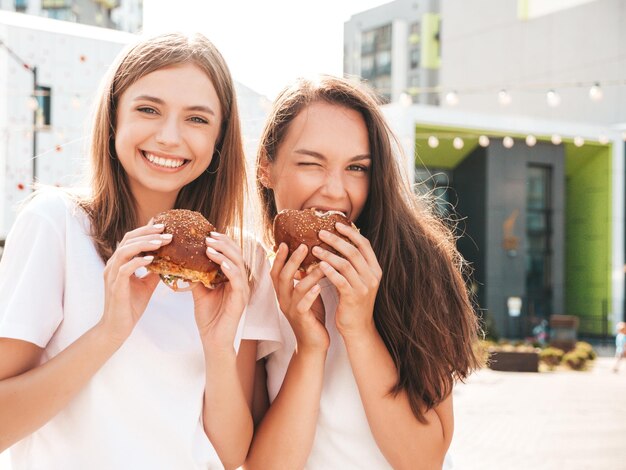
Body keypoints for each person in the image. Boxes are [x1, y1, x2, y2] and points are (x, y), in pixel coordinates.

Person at [0, 32, 281, 469]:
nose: (170, 137)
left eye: (197, 119)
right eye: (148, 110)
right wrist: (109, 332)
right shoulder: (55, 223)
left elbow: (230, 456)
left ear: (220, 138)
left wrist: (218, 347)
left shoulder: (238, 259)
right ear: (114, 117)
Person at [245, 75, 482, 470]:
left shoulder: (417, 267)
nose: (336, 191)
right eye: (310, 163)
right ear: (266, 167)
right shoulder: (251, 282)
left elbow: (425, 461)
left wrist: (358, 326)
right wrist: (311, 347)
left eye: (357, 168)